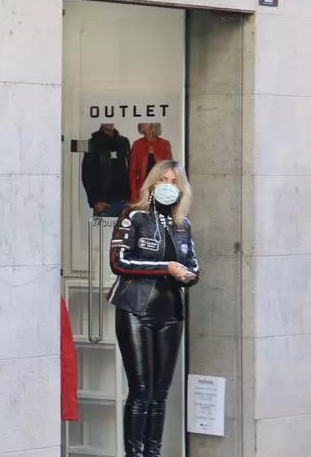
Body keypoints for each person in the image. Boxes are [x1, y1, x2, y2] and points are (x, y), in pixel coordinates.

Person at [108, 160, 200, 457]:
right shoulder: (133, 216)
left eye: (174, 182)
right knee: (141, 390)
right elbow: (119, 262)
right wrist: (166, 267)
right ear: (152, 183)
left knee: (160, 393)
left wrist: (188, 275)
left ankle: (153, 452)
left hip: (171, 312)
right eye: (163, 180)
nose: (168, 186)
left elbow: (193, 265)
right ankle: (134, 453)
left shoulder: (182, 224)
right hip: (136, 309)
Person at [81, 122, 131, 218]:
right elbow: (86, 174)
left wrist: (131, 198)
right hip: (103, 203)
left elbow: (130, 169)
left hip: (124, 202)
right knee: (101, 228)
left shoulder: (123, 142)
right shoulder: (92, 143)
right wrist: (94, 201)